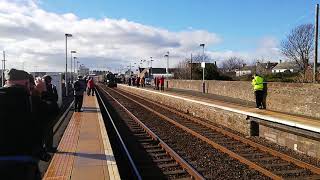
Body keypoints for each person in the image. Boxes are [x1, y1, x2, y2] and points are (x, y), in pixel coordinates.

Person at [0, 69, 42, 180]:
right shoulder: (32, 100)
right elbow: (52, 114)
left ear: (6, 81)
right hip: (24, 164)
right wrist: (41, 92)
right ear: (27, 83)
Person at [41, 75, 59, 153]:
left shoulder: (41, 88)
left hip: (45, 111)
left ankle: (46, 146)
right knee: (49, 130)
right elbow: (55, 98)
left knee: (46, 130)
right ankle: (49, 147)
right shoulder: (51, 87)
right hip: (49, 111)